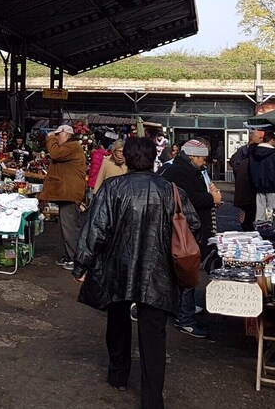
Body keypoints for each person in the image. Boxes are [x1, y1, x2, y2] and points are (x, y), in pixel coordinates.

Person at [73, 137, 200, 409]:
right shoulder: (170, 190)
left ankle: (118, 375)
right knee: (154, 335)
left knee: (117, 322)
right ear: (154, 157)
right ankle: (152, 398)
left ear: (127, 158)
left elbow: (96, 230)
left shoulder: (112, 188)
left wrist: (81, 264)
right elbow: (193, 225)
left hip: (117, 267)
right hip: (158, 270)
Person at [158, 139, 221, 339]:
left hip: (184, 232)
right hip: (183, 233)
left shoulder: (180, 170)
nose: (205, 163)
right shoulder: (179, 172)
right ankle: (185, 318)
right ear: (192, 156)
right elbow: (189, 200)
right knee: (187, 272)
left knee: (183, 273)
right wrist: (212, 198)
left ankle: (183, 311)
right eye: (203, 158)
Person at [40, 124, 87, 271]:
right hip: (65, 193)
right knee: (64, 227)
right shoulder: (70, 147)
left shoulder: (72, 146)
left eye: (58, 134)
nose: (56, 137)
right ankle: (69, 256)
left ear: (66, 134)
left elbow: (54, 153)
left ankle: (75, 259)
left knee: (70, 227)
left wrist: (50, 139)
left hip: (69, 194)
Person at [230, 130, 263, 231]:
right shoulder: (242, 151)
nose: (261, 140)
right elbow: (235, 163)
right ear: (252, 138)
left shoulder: (260, 150)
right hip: (245, 188)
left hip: (254, 189)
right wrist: (241, 173)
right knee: (246, 214)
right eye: (260, 138)